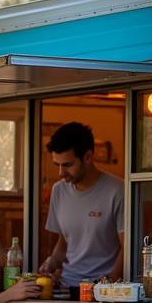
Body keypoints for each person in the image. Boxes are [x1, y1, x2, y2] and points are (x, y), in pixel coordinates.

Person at [38, 122, 124, 286]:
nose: (61, 173)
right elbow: (64, 241)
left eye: (68, 165)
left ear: (88, 157)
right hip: (67, 286)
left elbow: (128, 249)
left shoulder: (118, 190)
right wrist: (51, 262)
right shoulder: (58, 191)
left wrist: (109, 286)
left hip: (103, 290)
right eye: (58, 165)